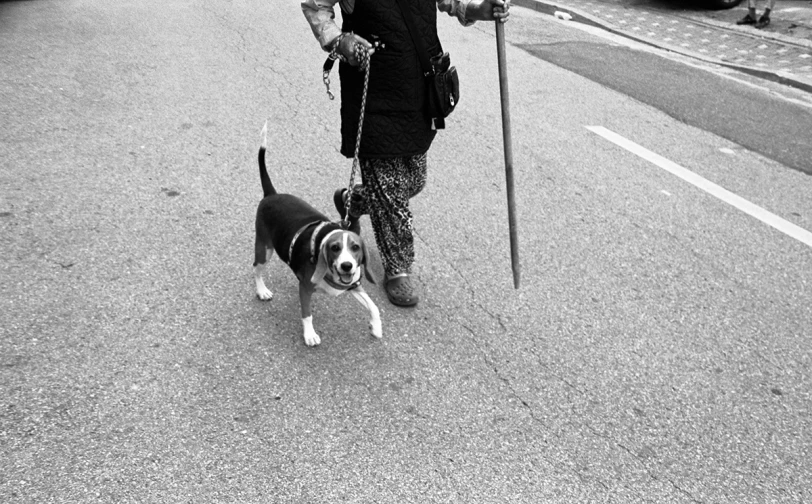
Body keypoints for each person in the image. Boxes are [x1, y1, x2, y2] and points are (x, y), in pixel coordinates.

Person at [302, 0, 510, 307]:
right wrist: (339, 40)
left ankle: (354, 201)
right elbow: (315, 6)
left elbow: (451, 2)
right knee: (391, 189)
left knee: (413, 179)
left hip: (418, 86)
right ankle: (397, 269)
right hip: (371, 87)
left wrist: (481, 10)